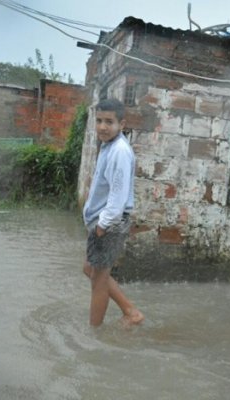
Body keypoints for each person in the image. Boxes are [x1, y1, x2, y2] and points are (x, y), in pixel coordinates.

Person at [82, 98, 144, 327]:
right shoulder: (108, 146)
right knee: (90, 268)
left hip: (109, 223)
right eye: (99, 121)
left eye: (109, 121)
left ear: (122, 124)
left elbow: (118, 196)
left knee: (98, 280)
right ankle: (130, 311)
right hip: (102, 221)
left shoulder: (119, 151)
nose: (102, 127)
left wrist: (102, 225)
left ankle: (93, 335)